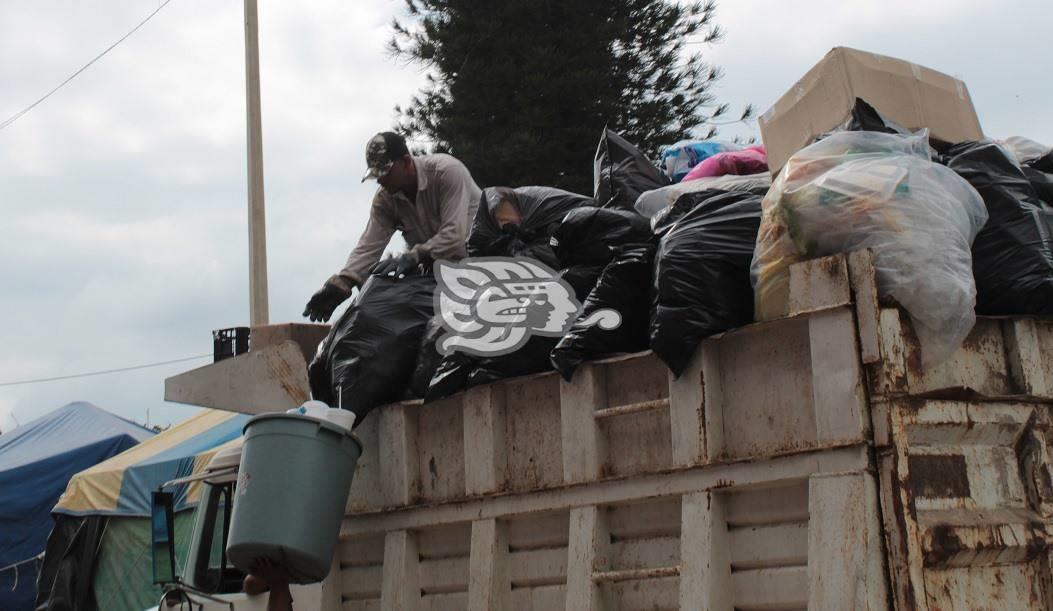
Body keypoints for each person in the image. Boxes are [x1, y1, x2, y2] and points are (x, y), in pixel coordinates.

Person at [303, 131, 482, 322]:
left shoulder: (446, 172)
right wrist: (343, 282)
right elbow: (369, 246)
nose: (380, 180)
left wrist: (414, 255)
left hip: (487, 270)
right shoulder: (385, 200)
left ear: (406, 162)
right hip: (439, 279)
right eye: (376, 175)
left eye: (385, 173)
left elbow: (455, 234)